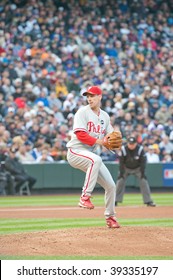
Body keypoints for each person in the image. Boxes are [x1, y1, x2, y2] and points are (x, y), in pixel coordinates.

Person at [66, 85, 121, 228]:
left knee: (111, 186)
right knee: (96, 159)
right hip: (75, 151)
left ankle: (110, 217)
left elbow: (110, 136)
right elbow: (81, 135)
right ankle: (85, 197)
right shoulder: (82, 112)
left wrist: (112, 141)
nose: (89, 99)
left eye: (92, 96)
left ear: (100, 97)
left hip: (89, 154)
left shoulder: (104, 116)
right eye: (88, 96)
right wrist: (101, 142)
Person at [115, 136, 156, 207]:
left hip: (138, 168)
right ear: (127, 143)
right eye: (130, 144)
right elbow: (121, 162)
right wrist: (121, 173)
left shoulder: (140, 149)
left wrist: (143, 173)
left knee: (144, 181)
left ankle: (148, 201)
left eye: (133, 144)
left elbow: (143, 162)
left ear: (136, 143)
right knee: (120, 181)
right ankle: (115, 200)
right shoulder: (124, 149)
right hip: (126, 168)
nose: (131, 145)